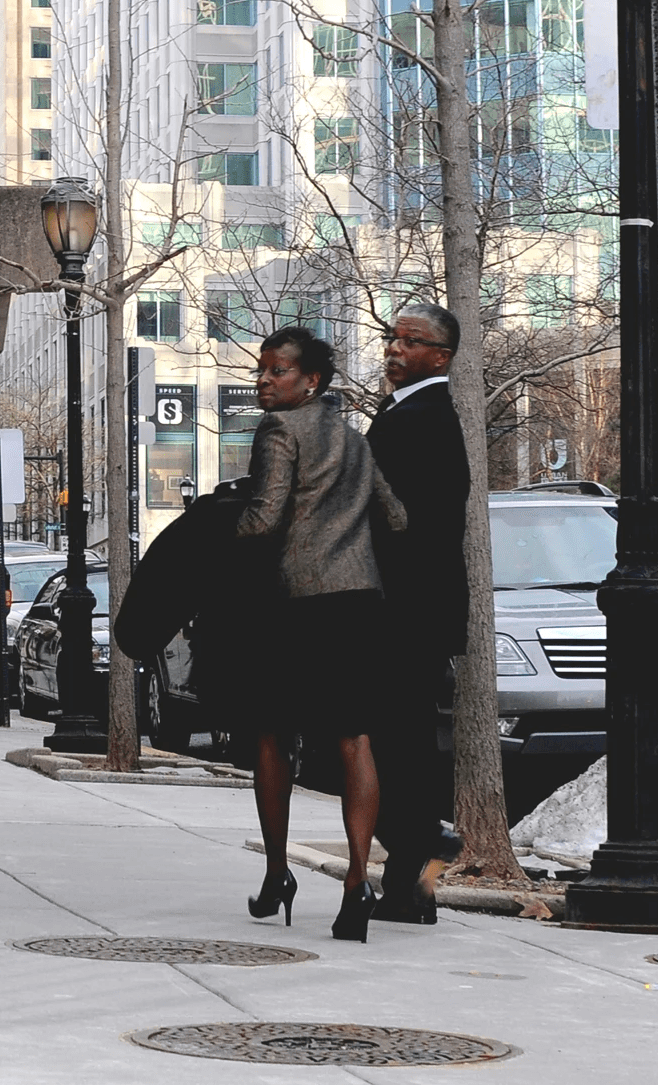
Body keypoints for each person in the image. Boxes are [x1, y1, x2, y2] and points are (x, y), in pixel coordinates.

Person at [230, 327, 406, 941]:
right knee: (354, 739)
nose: (264, 380)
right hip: (358, 604)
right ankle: (357, 879)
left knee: (272, 736)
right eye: (263, 369)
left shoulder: (280, 431)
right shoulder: (356, 440)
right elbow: (397, 516)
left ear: (312, 381)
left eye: (277, 371)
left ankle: (279, 872)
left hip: (295, 606)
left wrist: (222, 523)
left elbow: (264, 518)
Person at [366, 302, 473, 923]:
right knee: (398, 742)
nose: (395, 348)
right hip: (409, 610)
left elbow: (412, 524)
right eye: (393, 337)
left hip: (406, 612)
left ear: (442, 356)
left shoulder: (427, 417)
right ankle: (412, 884)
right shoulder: (407, 411)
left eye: (411, 341)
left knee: (393, 743)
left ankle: (418, 859)